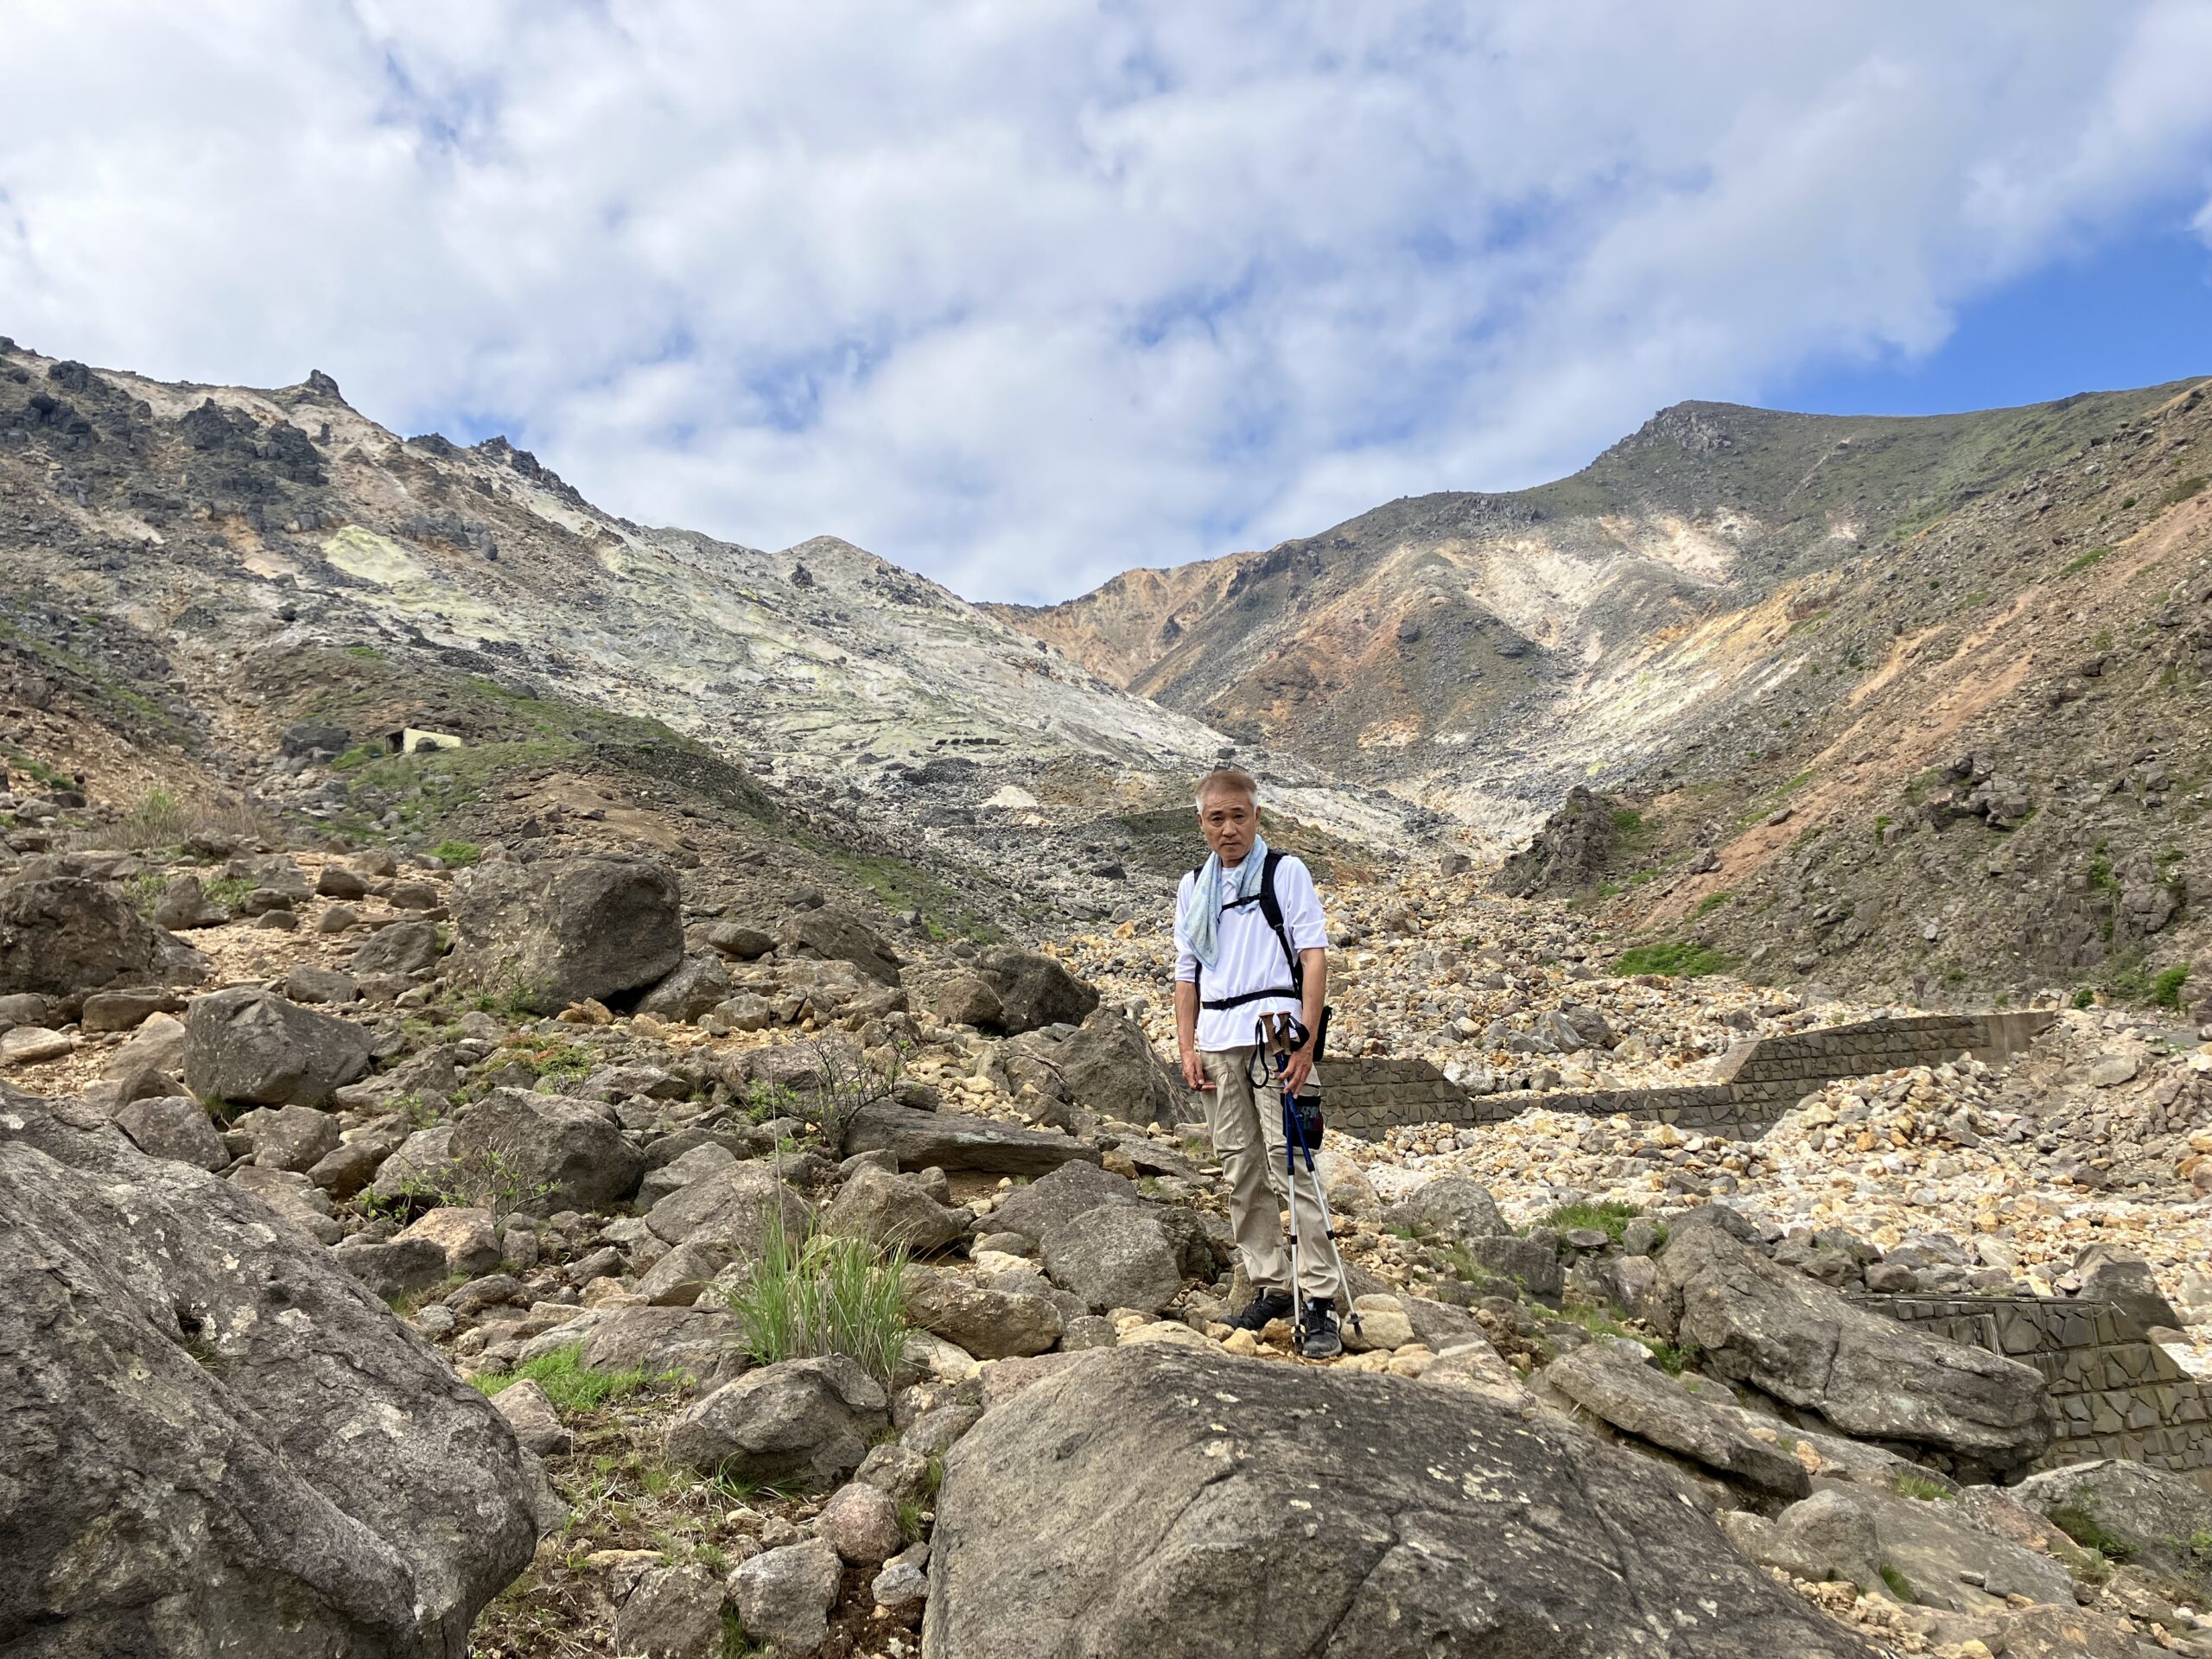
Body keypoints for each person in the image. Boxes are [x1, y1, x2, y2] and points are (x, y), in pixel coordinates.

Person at [1173, 764, 1345, 1358]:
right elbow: (1186, 973)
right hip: (1219, 1043)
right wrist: (1186, 1046)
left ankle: (1318, 1298)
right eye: (1216, 818)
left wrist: (1306, 1042)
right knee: (1242, 1171)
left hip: (1276, 1039)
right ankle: (1273, 1283)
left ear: (1256, 816)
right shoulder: (1193, 886)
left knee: (1293, 1166)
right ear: (1201, 823)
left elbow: (1314, 957)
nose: (1228, 829)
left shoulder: (1285, 872)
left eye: (1237, 816)